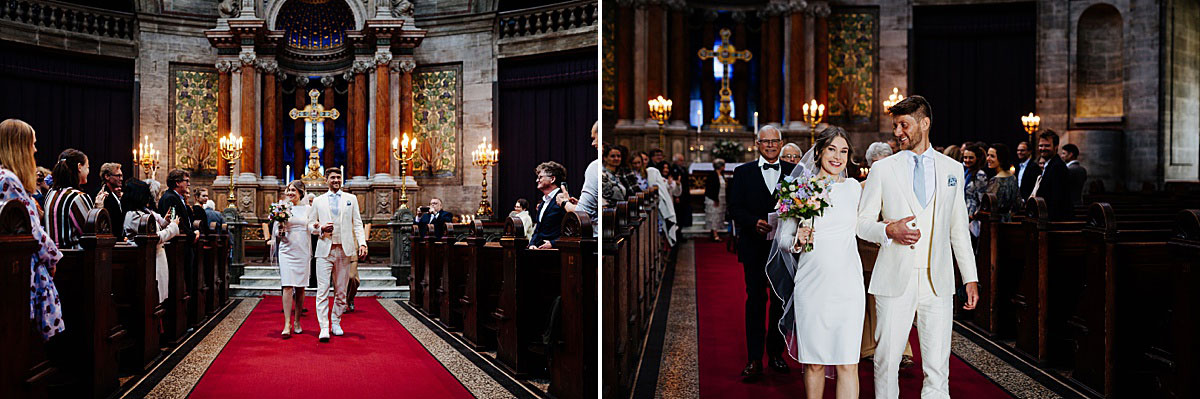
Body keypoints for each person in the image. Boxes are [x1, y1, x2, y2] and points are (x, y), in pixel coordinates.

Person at [857, 95, 978, 398]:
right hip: (894, 277)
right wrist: (889, 229)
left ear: (924, 124)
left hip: (937, 281)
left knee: (938, 364)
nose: (898, 132)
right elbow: (862, 224)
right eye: (895, 125)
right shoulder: (883, 170)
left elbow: (958, 229)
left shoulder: (952, 169)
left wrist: (970, 277)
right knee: (886, 359)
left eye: (904, 125)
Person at [767, 127, 863, 399]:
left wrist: (888, 232)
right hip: (812, 284)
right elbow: (783, 240)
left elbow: (865, 226)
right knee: (815, 362)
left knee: (847, 362)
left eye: (844, 151)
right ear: (819, 151)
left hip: (848, 286)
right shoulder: (798, 188)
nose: (838, 157)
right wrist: (798, 239)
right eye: (832, 149)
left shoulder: (854, 188)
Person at [727, 125, 798, 381]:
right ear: (757, 144)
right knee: (755, 300)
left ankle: (776, 354)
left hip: (782, 250)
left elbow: (803, 208)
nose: (770, 145)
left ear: (781, 143)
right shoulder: (743, 172)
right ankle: (754, 358)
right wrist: (752, 221)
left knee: (780, 302)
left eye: (774, 141)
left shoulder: (793, 172)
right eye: (765, 142)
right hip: (754, 247)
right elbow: (734, 208)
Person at [0, 119, 65, 340]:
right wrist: (54, 258)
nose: (35, 150)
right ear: (18, 147)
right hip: (22, 273)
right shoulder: (9, 179)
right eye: (32, 144)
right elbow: (33, 230)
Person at [308, 167, 366, 342]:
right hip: (325, 249)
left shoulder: (351, 199)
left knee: (341, 291)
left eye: (338, 177)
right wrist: (320, 229)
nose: (336, 180)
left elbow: (357, 223)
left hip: (345, 249)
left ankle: (336, 322)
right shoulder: (318, 201)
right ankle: (324, 327)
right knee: (322, 290)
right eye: (333, 177)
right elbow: (310, 225)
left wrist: (362, 243)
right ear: (326, 180)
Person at [121, 179, 180, 304]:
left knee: (159, 300)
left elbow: (154, 228)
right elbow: (154, 238)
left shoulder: (143, 212)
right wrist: (173, 227)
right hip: (149, 260)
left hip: (157, 259)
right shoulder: (133, 215)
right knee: (153, 300)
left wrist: (166, 222)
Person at [269, 180, 312, 339]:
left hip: (302, 249)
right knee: (287, 285)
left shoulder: (308, 209)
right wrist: (279, 229)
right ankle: (287, 323)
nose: (290, 193)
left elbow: (312, 227)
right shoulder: (281, 208)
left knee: (300, 287)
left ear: (301, 192)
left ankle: (298, 321)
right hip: (286, 249)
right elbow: (277, 234)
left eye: (293, 190)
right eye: (288, 190)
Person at [44, 148, 105, 250]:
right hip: (74, 259)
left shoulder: (51, 193)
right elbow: (92, 233)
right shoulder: (77, 197)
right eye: (88, 167)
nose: (89, 171)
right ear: (79, 167)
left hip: (52, 256)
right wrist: (98, 209)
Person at [630, 151, 679, 245]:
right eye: (635, 163)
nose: (639, 164)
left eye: (641, 161)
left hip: (651, 206)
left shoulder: (650, 172)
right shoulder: (630, 174)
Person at [1031, 130, 1071, 220]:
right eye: (1041, 145)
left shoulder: (1057, 166)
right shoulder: (1051, 164)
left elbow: (1057, 199)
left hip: (1055, 221)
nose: (1043, 148)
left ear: (1056, 147)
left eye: (1047, 145)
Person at [530, 161, 567, 249]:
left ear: (552, 179)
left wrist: (553, 243)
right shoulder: (543, 202)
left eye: (540, 177)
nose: (537, 180)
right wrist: (532, 244)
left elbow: (571, 231)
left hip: (556, 252)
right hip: (539, 251)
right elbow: (538, 229)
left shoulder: (564, 199)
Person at [985, 143, 1020, 222]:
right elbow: (1018, 204)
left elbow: (987, 206)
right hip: (1008, 221)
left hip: (994, 223)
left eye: (992, 156)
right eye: (988, 155)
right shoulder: (1013, 178)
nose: (988, 158)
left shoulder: (995, 180)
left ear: (1001, 158)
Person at [962, 145, 988, 238]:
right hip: (963, 213)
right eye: (965, 157)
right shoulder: (966, 172)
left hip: (973, 218)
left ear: (977, 158)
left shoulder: (980, 174)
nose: (967, 160)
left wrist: (974, 215)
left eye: (971, 157)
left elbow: (981, 198)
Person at [704, 158, 728, 241]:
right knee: (714, 215)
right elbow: (711, 188)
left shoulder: (721, 175)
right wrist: (715, 199)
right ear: (720, 166)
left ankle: (714, 232)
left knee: (718, 215)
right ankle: (715, 235)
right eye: (723, 165)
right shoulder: (712, 175)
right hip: (713, 199)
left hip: (721, 198)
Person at [98, 163, 125, 239]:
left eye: (121, 176)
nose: (121, 179)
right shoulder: (103, 196)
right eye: (118, 176)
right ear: (107, 176)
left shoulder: (115, 194)